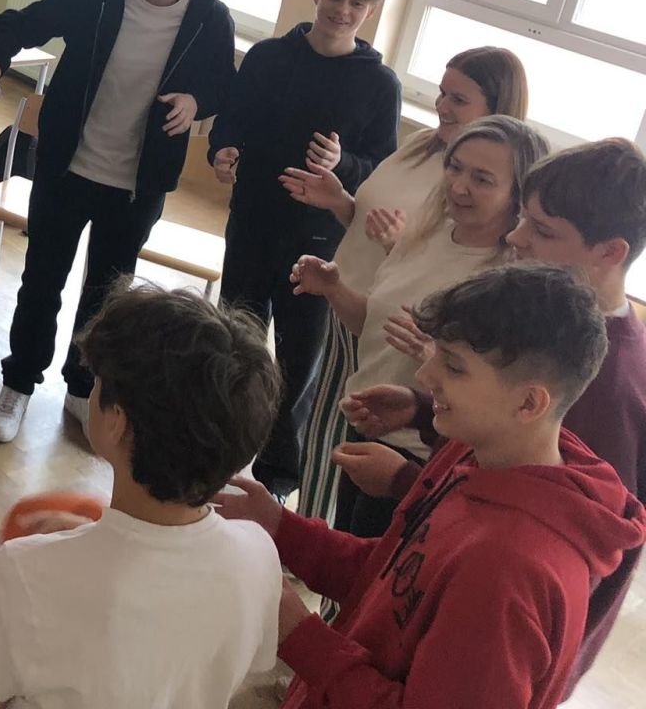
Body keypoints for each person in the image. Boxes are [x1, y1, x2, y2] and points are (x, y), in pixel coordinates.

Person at [216, 264, 646, 709]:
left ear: (529, 402)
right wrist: (281, 527)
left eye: (454, 367)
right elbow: (397, 578)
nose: (424, 375)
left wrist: (300, 636)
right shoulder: (475, 455)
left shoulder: (509, 573)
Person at [342, 138, 646, 695]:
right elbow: (512, 440)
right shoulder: (545, 321)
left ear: (609, 252)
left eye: (542, 230)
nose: (515, 237)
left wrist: (407, 481)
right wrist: (421, 409)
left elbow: (574, 546)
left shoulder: (613, 388)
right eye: (523, 218)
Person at [0, 0, 236, 445]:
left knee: (109, 296)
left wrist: (195, 101)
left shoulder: (210, 18)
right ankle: (18, 383)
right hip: (69, 168)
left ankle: (84, 389)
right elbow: (22, 23)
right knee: (42, 281)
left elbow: (223, 85)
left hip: (137, 185)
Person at [0, 283, 284, 708]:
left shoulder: (25, 573)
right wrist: (95, 542)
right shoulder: (259, 553)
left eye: (97, 384)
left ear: (117, 421)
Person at [278, 47, 527, 524]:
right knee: (333, 480)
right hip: (373, 397)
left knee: (371, 539)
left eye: (481, 179)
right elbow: (378, 314)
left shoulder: (502, 277)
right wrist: (335, 281)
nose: (459, 186)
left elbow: (496, 394)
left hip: (417, 444)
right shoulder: (427, 203)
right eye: (456, 169)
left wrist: (434, 357)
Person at [208, 0, 401, 497]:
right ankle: (218, 450)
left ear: (371, 10)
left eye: (357, 3)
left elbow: (380, 166)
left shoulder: (379, 84)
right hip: (252, 222)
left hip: (319, 241)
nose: (343, 9)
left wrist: (345, 164)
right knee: (237, 343)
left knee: (299, 362)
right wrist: (222, 150)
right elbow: (232, 121)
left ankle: (277, 477)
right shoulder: (268, 57)